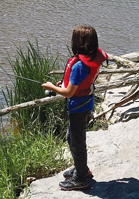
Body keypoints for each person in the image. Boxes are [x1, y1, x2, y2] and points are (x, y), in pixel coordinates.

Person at [42, 25, 108, 191]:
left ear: (77, 44)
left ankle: (80, 178)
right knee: (72, 138)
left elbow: (69, 93)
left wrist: (52, 87)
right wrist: (64, 83)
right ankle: (81, 168)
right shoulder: (92, 58)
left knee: (77, 142)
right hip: (86, 103)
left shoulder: (79, 66)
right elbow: (77, 84)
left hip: (78, 108)